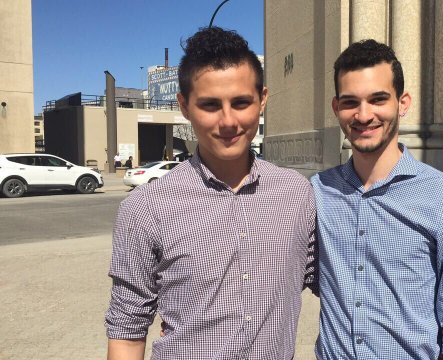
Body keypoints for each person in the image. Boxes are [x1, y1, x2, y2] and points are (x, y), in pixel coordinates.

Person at [105, 27, 316, 360]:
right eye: (210, 105)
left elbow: (339, 281)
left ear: (262, 100)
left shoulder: (297, 195)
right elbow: (127, 327)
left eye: (241, 102)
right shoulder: (145, 208)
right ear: (185, 107)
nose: (228, 121)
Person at [311, 40, 443, 360]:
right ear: (337, 108)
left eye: (378, 99)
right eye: (351, 102)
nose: (364, 115)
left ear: (402, 103)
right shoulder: (317, 192)